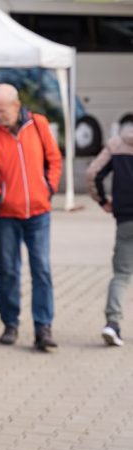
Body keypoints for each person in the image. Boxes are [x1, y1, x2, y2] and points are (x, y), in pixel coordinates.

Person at [0, 83, 62, 351]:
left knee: (42, 269)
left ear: (16, 106)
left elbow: (54, 159)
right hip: (4, 215)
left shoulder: (38, 124)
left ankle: (43, 327)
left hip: (39, 212)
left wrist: (48, 188)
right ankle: (11, 323)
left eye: (1, 110)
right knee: (8, 271)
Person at [86, 118, 133, 346]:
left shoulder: (117, 144)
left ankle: (112, 324)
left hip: (126, 218)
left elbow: (93, 173)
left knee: (122, 274)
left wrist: (102, 200)